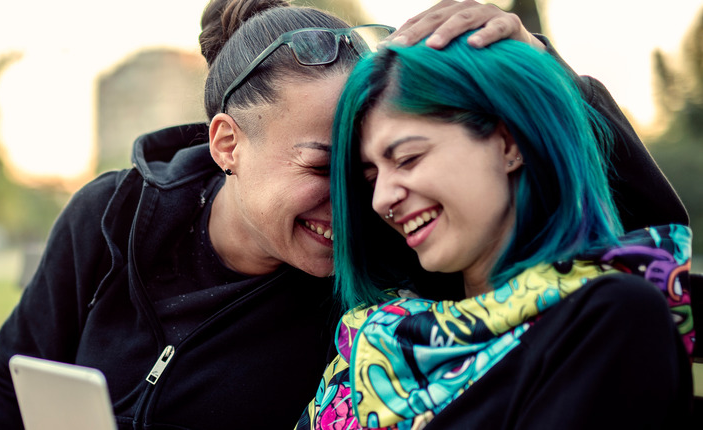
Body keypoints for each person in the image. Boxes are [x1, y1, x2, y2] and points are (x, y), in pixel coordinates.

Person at [0, 0, 688, 429]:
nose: (365, 200)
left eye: (381, 164)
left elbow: (648, 263)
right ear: (227, 144)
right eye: (327, 167)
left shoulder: (385, 264)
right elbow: (6, 384)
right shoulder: (112, 216)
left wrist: (548, 82)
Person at [296, 32, 694, 429]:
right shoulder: (377, 337)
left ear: (509, 143)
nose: (382, 198)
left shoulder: (606, 319)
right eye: (371, 178)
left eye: (408, 158)